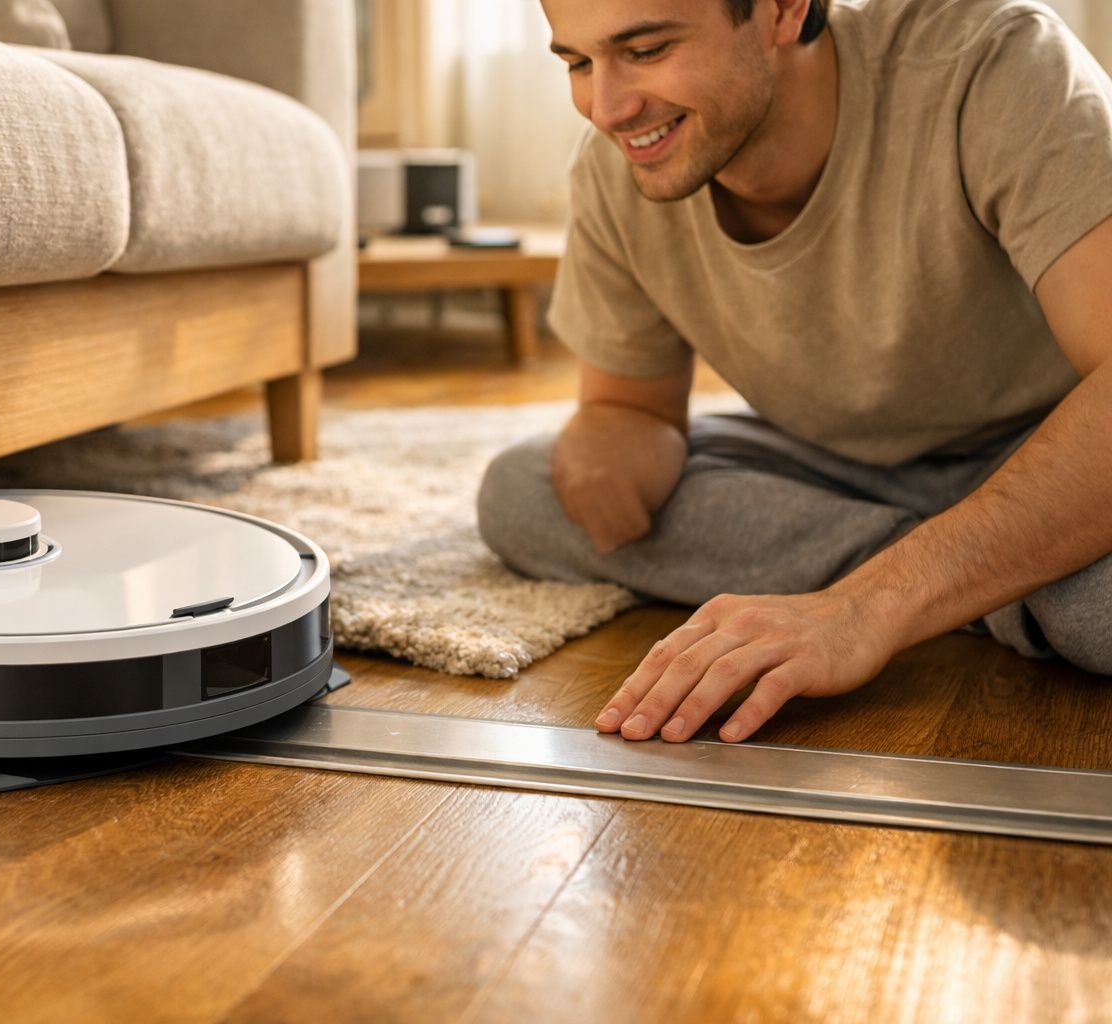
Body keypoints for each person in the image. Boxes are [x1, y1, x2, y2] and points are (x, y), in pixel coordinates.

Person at [476, 0, 1112, 745]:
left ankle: (911, 589)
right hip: (842, 468)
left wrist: (868, 608)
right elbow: (633, 410)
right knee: (524, 489)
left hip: (1056, 449)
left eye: (645, 50)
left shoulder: (995, 62)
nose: (607, 109)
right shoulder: (623, 169)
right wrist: (608, 445)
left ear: (783, 9)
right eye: (578, 63)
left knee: (1095, 610)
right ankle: (972, 582)